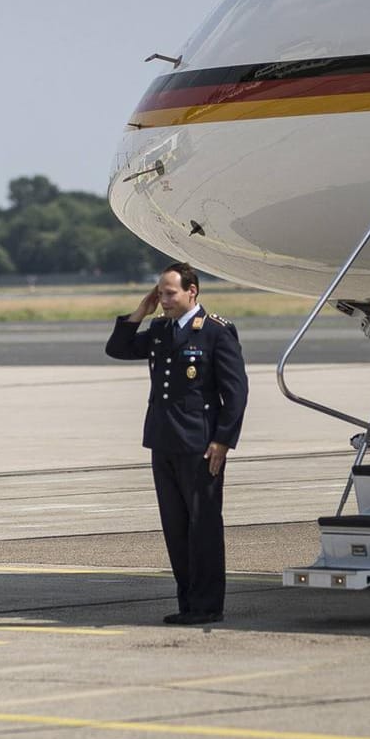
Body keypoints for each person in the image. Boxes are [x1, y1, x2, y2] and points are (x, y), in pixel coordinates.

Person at [106, 264, 248, 625]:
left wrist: (223, 441)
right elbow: (117, 349)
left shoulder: (215, 332)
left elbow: (236, 392)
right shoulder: (159, 330)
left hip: (200, 446)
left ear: (192, 292)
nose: (163, 300)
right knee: (175, 527)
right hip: (163, 440)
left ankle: (207, 605)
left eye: (169, 293)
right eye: (160, 293)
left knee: (203, 526)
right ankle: (188, 602)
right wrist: (141, 311)